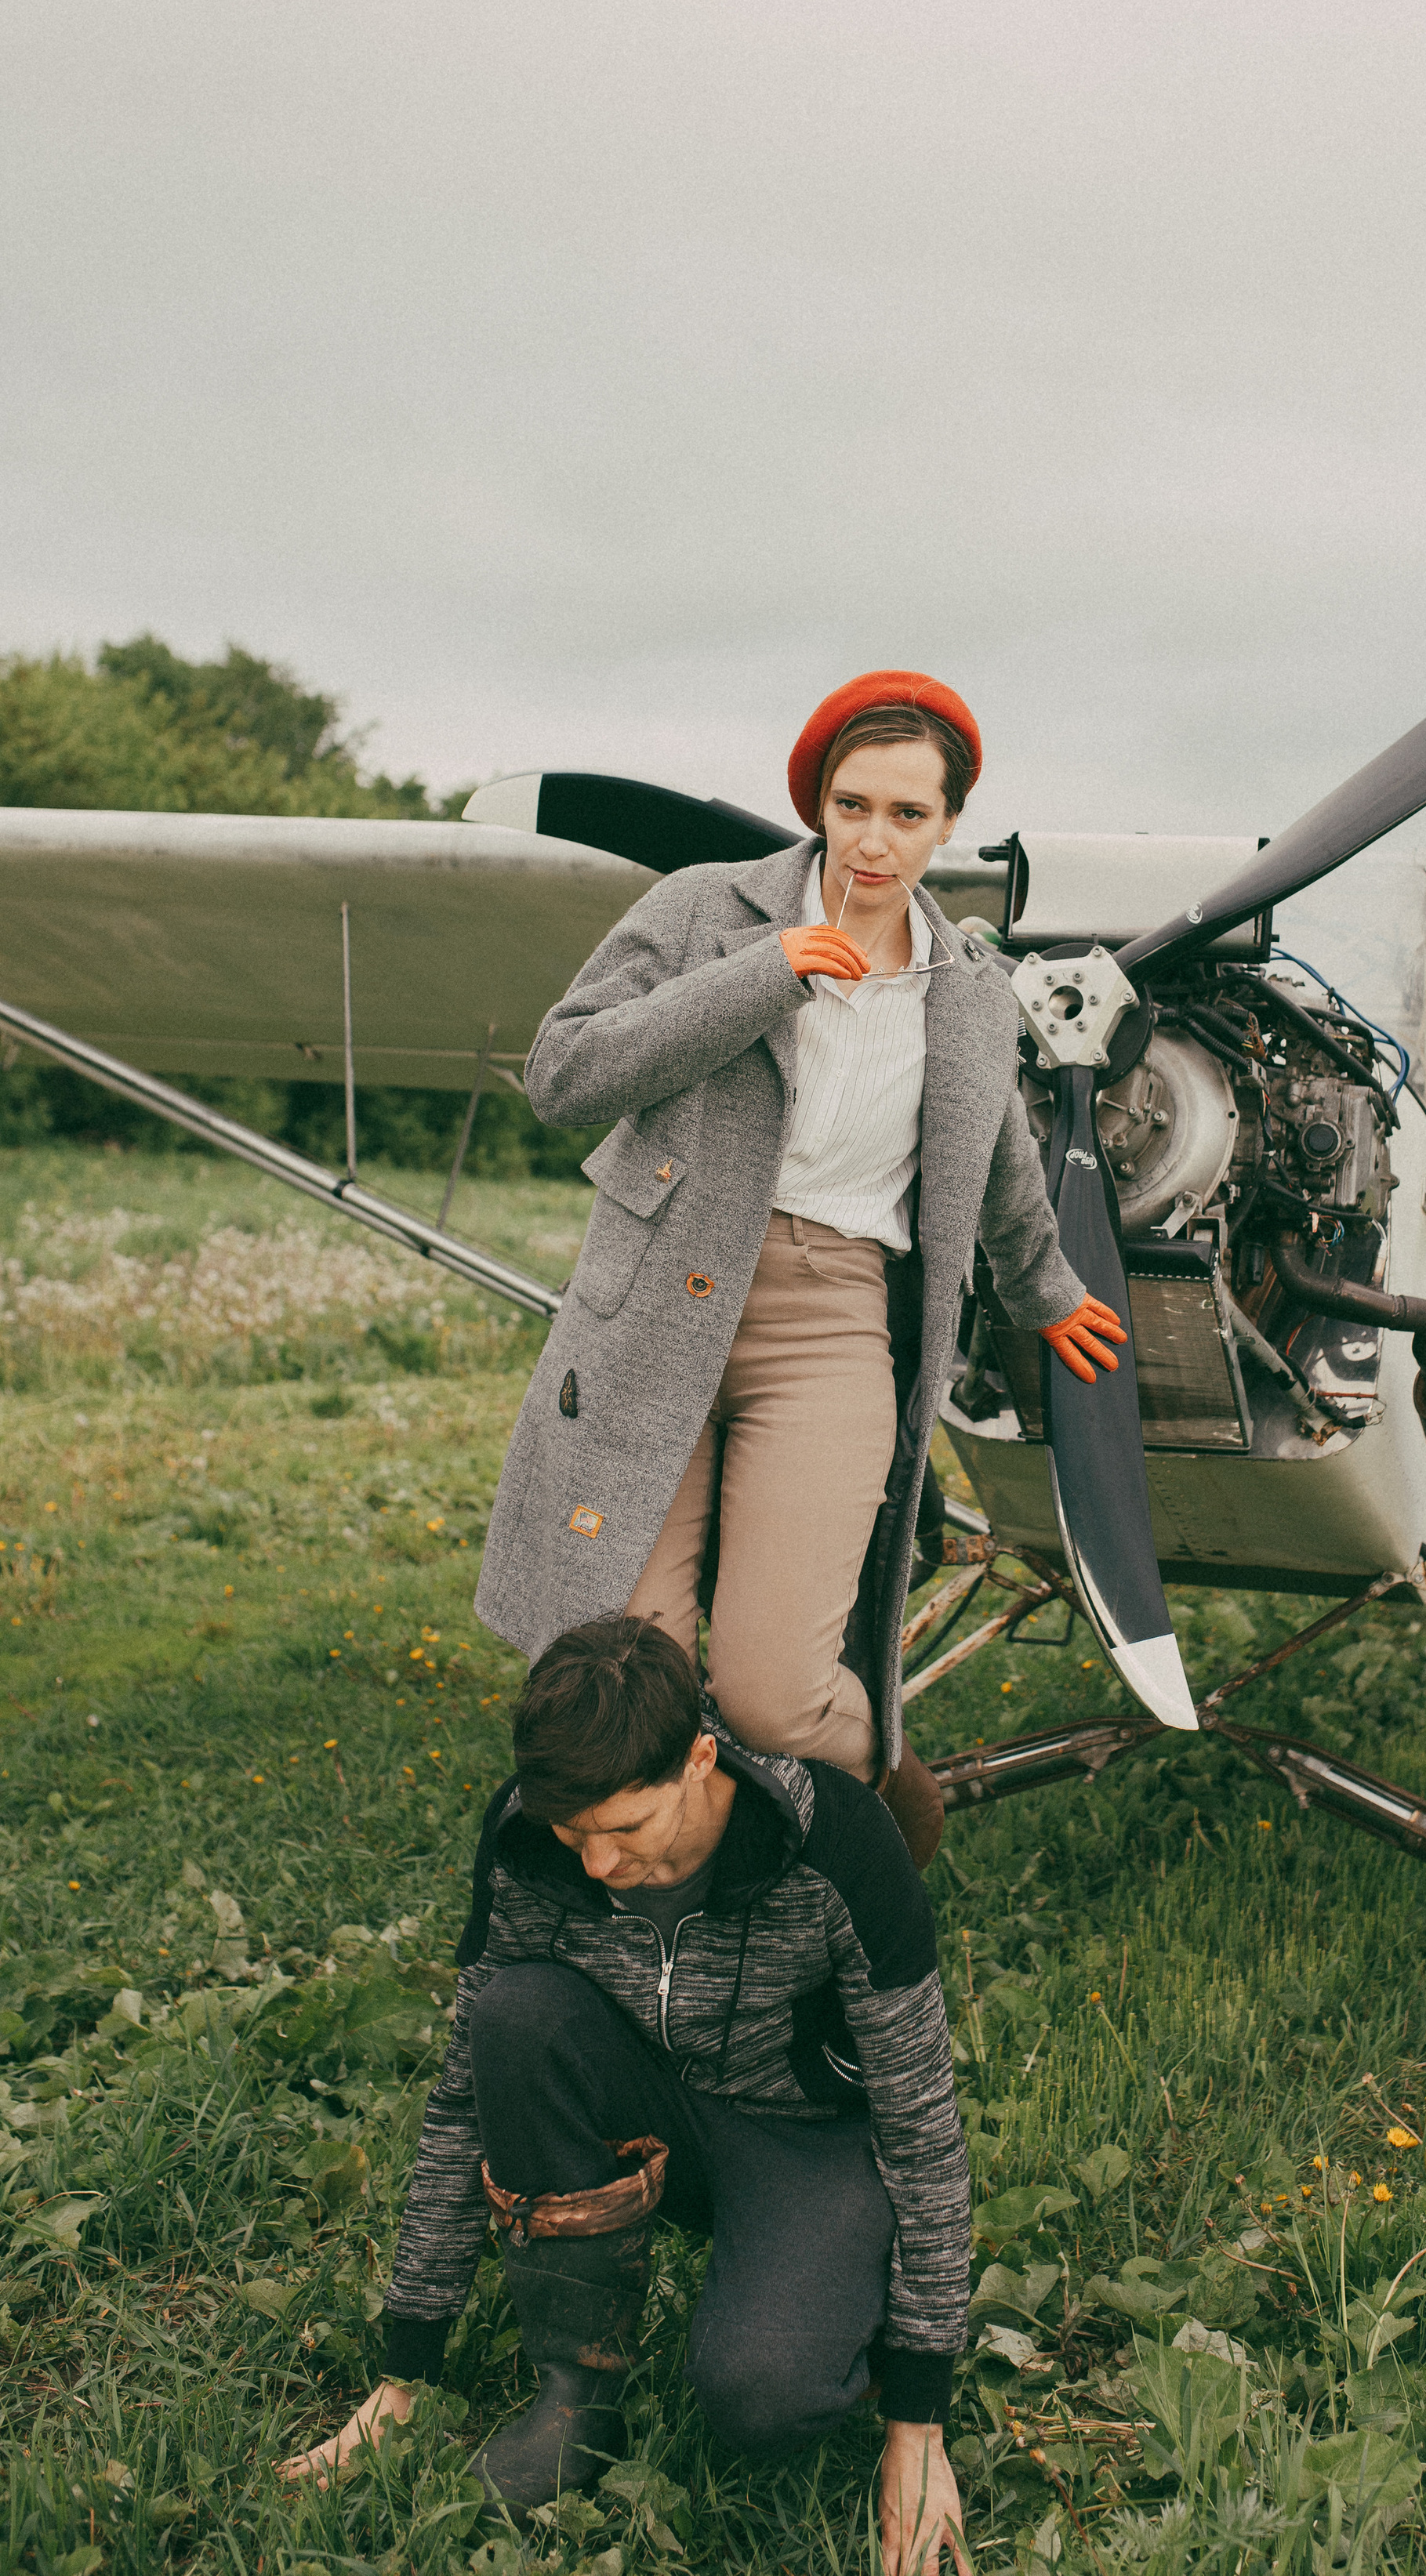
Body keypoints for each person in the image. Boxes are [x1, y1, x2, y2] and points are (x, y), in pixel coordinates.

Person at [472, 668, 1125, 1864]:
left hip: (831, 1322)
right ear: (818, 802)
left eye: (908, 815)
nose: (875, 841)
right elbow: (564, 1076)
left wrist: (1048, 1293)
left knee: (773, 1696)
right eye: (853, 806)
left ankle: (880, 1825)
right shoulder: (702, 909)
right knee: (625, 1663)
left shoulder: (971, 995)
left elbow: (996, 1162)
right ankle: (674, 1884)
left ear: (947, 824)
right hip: (658, 1306)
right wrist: (764, 974)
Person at [281, 1616, 972, 2574]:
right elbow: (462, 2103)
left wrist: (919, 2421)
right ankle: (577, 2393)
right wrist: (404, 2375)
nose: (596, 1865)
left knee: (762, 2398)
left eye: (623, 1829)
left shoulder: (836, 1844)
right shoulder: (527, 1841)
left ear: (699, 1759)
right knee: (513, 2017)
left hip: (809, 2142)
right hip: (656, 2107)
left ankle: (821, 2294)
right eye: (574, 1833)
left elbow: (921, 2120)